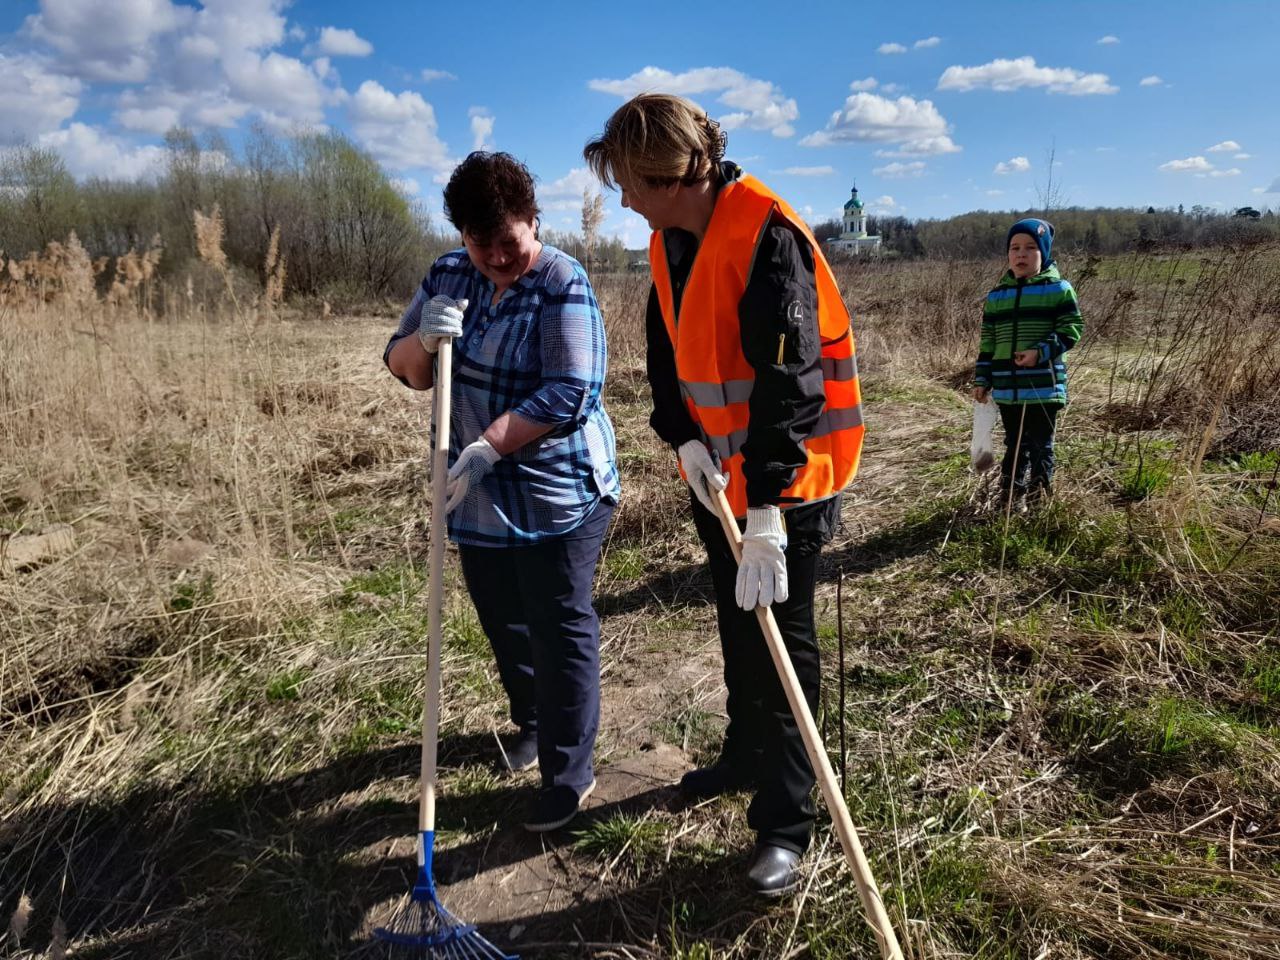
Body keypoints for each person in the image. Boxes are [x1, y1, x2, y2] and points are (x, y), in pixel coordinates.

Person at [583, 94, 864, 896]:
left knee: (782, 640)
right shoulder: (668, 240)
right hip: (719, 475)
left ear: (671, 176)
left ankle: (786, 822)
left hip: (790, 478)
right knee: (739, 624)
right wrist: (682, 436)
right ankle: (745, 756)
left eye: (629, 184)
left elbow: (790, 380)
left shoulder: (769, 235)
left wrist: (768, 506)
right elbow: (666, 349)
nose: (623, 201)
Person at [384, 151, 620, 832]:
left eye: (508, 241)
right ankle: (534, 722)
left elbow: (573, 390)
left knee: (557, 622)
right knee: (503, 617)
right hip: (475, 493)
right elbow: (403, 367)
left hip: (557, 490)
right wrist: (424, 340)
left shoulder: (562, 281)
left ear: (533, 221)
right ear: (462, 234)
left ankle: (568, 774)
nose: (495, 257)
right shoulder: (448, 274)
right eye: (479, 242)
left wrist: (492, 442)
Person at [972, 219, 1083, 508]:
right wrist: (983, 379)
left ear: (1043, 253)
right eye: (1015, 248)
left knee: (1040, 445)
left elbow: (1071, 329)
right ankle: (1010, 498)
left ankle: (1038, 501)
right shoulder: (997, 296)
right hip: (1007, 389)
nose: (1021, 254)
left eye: (1031, 247)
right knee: (1014, 444)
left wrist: (1039, 353)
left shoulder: (1058, 290)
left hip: (1044, 387)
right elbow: (988, 343)